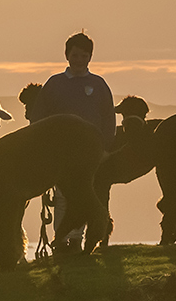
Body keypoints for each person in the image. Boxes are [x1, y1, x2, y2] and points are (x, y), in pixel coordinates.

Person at [26, 31, 116, 253]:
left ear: (90, 57)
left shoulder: (98, 84)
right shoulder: (54, 84)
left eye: (84, 56)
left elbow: (108, 118)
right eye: (75, 55)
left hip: (90, 152)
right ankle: (62, 240)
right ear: (67, 55)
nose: (79, 60)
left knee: (86, 194)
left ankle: (78, 238)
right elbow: (39, 117)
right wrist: (40, 148)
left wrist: (105, 148)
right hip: (60, 152)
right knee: (62, 196)